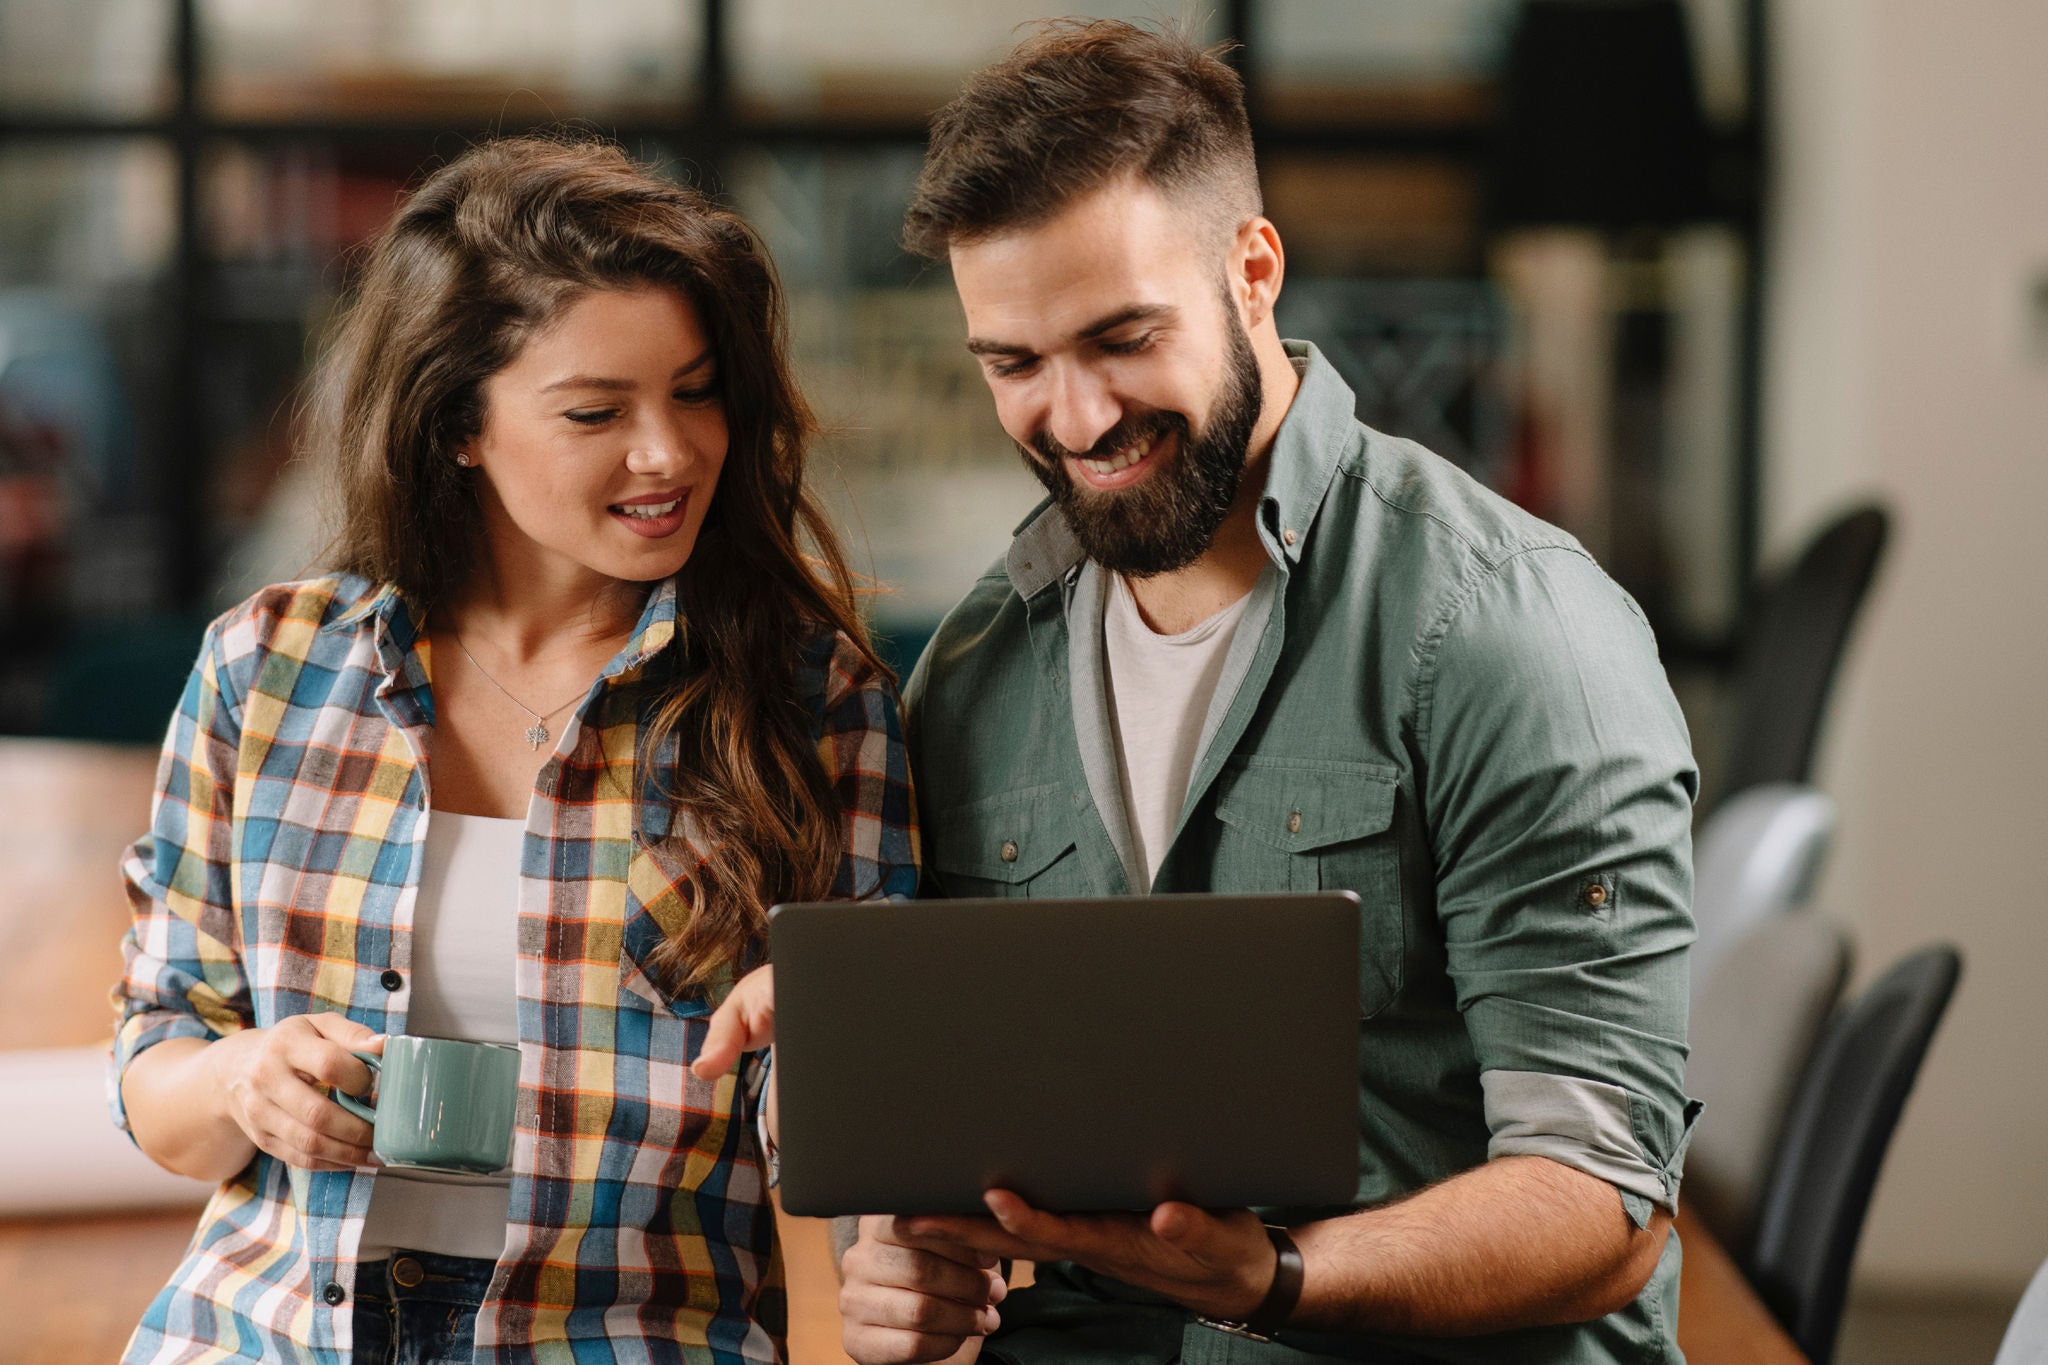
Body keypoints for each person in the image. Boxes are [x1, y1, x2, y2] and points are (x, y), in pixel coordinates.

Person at [832, 21, 1700, 1365]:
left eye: (1120, 338)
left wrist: (1274, 1276)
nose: (1072, 417)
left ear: (1252, 271)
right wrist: (898, 1262)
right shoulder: (977, 669)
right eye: (1013, 363)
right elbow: (951, 1126)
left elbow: (1606, 1194)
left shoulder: (1508, 631)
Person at [108, 135, 917, 1365]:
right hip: (262, 1332)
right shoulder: (268, 665)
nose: (671, 451)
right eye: (596, 411)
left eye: (696, 392)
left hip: (625, 1337)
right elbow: (163, 1056)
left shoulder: (811, 700)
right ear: (457, 428)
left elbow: (869, 1151)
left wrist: (827, 1057)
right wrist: (240, 1080)